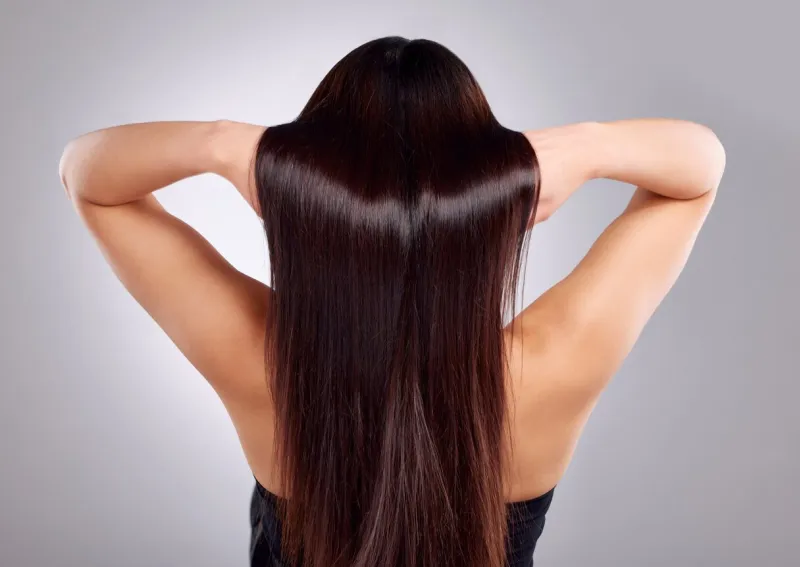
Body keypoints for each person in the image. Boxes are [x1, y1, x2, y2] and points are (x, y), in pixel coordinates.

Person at [58, 36, 725, 567]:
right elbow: (698, 171)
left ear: (314, 201)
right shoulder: (552, 362)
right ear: (484, 203)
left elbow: (88, 176)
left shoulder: (258, 356)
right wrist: (585, 146)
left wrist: (228, 144)